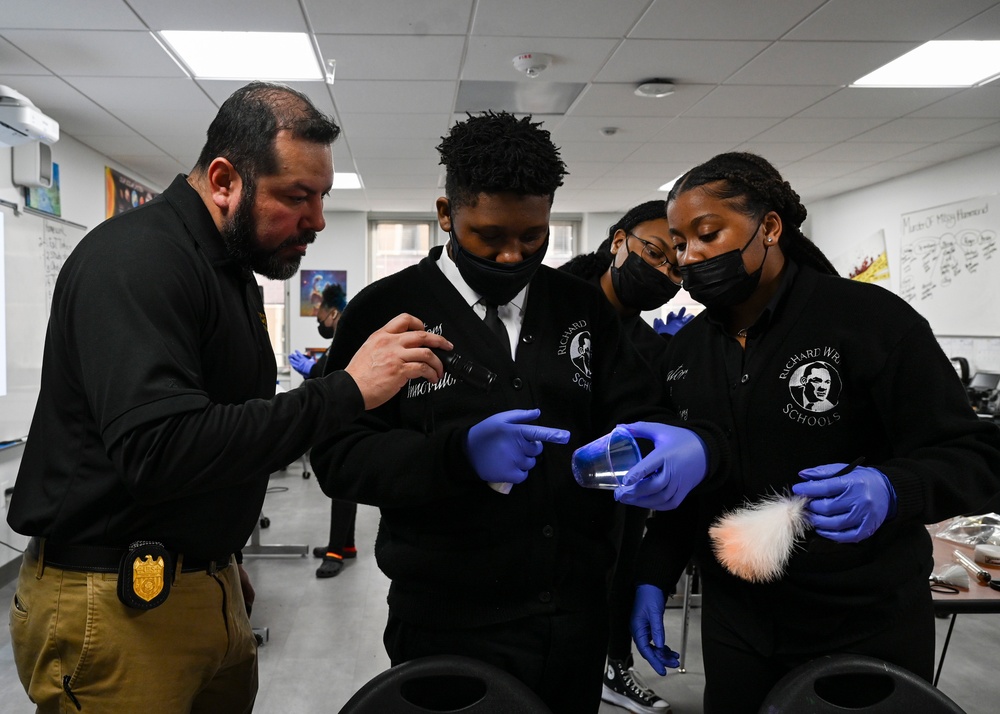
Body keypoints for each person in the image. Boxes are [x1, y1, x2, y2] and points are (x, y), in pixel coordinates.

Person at [6, 81, 451, 714]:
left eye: (321, 197)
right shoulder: (139, 259)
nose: (317, 220)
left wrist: (217, 552)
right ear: (223, 180)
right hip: (115, 604)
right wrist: (347, 389)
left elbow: (219, 420)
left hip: (199, 581)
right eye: (297, 196)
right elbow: (159, 449)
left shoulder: (228, 268)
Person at [308, 111, 724, 714]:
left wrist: (651, 447)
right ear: (447, 215)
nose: (511, 256)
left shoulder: (581, 306)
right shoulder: (388, 308)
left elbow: (640, 408)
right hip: (445, 618)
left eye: (533, 238)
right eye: (488, 236)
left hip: (570, 614)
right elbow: (340, 458)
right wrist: (457, 457)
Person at [614, 151, 1000, 713]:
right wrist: (653, 575)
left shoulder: (870, 321)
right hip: (738, 620)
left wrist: (893, 488)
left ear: (769, 227)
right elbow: (687, 489)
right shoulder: (690, 349)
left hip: (862, 618)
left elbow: (977, 453)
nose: (690, 255)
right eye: (679, 242)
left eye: (707, 233)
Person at [559, 200, 686, 714]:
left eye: (676, 265)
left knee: (616, 578)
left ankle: (614, 669)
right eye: (653, 253)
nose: (663, 271)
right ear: (618, 241)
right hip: (549, 481)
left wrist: (675, 363)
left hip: (620, 491)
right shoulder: (559, 305)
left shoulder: (645, 339)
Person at [290, 283, 361, 578]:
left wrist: (311, 369)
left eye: (320, 317)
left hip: (351, 415)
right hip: (347, 412)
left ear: (333, 312)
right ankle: (346, 545)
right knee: (347, 478)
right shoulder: (345, 330)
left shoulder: (349, 330)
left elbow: (334, 369)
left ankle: (335, 552)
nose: (319, 322)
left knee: (343, 477)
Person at [289, 283, 347, 381]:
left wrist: (312, 369)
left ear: (333, 313)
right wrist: (312, 370)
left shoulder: (346, 341)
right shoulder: (338, 342)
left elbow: (334, 377)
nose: (320, 325)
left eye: (320, 321)